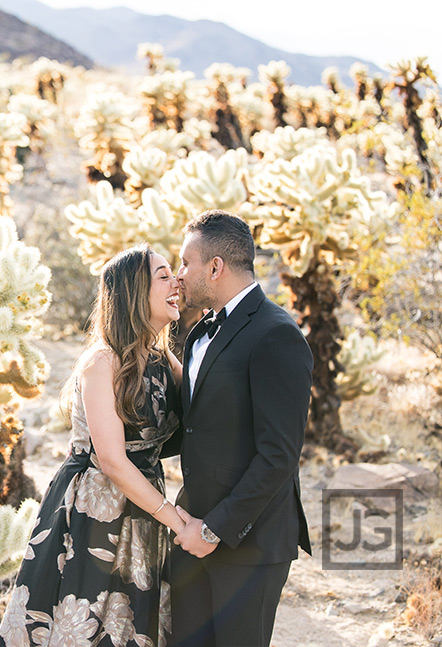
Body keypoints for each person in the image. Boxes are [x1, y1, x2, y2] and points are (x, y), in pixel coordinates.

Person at [0, 244, 185, 647]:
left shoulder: (163, 359)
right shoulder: (103, 361)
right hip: (94, 506)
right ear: (135, 292)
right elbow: (113, 461)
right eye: (164, 275)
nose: (177, 281)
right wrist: (177, 520)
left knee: (129, 625)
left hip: (143, 503)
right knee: (82, 621)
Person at [167, 210, 313, 647]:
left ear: (215, 267)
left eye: (185, 262)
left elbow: (279, 456)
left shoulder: (276, 335)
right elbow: (193, 428)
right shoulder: (198, 334)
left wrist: (214, 530)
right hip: (191, 532)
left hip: (249, 543)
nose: (179, 275)